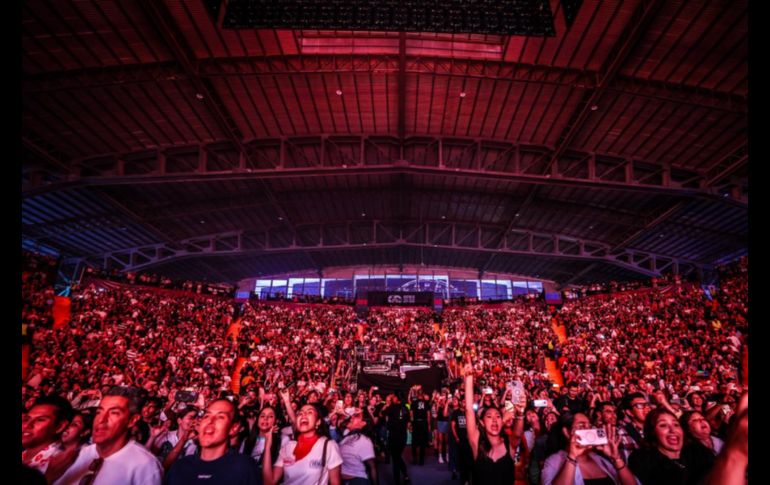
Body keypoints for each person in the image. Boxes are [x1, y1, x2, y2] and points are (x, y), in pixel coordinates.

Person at [52, 386, 163, 485]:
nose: (101, 420)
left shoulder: (145, 466)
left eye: (114, 413)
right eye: (99, 412)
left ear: (132, 420)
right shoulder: (78, 455)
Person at [166, 398, 260, 484]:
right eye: (206, 416)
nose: (210, 421)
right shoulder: (179, 467)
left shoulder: (244, 467)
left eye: (220, 417)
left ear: (233, 428)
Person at [540, 412, 636, 485]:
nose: (588, 429)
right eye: (581, 426)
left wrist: (617, 459)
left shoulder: (600, 459)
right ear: (566, 432)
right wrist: (572, 457)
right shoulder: (553, 461)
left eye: (589, 426)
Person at [462, 361, 518, 485]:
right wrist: (469, 377)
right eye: (489, 416)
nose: (494, 419)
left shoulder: (509, 443)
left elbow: (518, 433)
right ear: (481, 423)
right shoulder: (476, 442)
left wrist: (520, 414)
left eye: (498, 416)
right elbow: (469, 410)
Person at [628, 408, 715, 485]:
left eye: (676, 424)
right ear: (652, 432)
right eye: (663, 425)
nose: (672, 430)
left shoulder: (699, 451)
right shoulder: (642, 460)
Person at [263, 402, 343, 485]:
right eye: (300, 413)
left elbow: (335, 482)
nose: (303, 415)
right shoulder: (288, 446)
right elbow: (269, 482)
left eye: (309, 412)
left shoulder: (329, 445)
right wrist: (267, 446)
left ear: (318, 422)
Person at [22, 395, 74, 475]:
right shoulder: (25, 452)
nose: (27, 425)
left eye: (40, 420)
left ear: (59, 426)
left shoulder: (57, 464)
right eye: (27, 419)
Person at [242, 405, 289, 478]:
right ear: (257, 420)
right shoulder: (247, 441)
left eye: (270, 416)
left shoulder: (283, 440)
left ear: (276, 421)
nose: (265, 419)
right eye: (262, 416)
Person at [338, 408, 378, 485]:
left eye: (356, 416)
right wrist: (349, 415)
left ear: (363, 423)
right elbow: (342, 424)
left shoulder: (364, 440)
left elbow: (372, 467)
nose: (352, 417)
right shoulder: (347, 436)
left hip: (357, 481)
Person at [381, 393, 410, 484]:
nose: (392, 398)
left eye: (393, 397)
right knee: (397, 457)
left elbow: (382, 413)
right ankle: (405, 476)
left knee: (395, 459)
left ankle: (398, 480)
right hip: (403, 436)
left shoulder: (392, 407)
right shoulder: (405, 408)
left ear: (397, 399)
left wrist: (386, 405)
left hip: (394, 437)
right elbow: (408, 422)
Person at [410, 387, 430, 466]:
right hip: (423, 423)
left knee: (414, 441)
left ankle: (415, 459)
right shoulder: (426, 402)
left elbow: (411, 414)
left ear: (417, 394)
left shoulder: (414, 402)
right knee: (422, 442)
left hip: (416, 422)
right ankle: (421, 460)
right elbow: (428, 415)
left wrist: (411, 423)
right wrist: (428, 425)